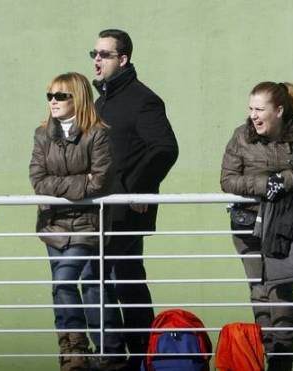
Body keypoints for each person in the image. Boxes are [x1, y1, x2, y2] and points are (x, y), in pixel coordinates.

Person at [220, 81, 293, 371]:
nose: (254, 116)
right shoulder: (241, 136)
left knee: (279, 287)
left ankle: (281, 356)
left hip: (285, 224)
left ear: (279, 110)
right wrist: (263, 185)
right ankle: (267, 350)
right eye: (251, 109)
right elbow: (228, 180)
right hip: (248, 223)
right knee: (259, 288)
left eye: (260, 109)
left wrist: (287, 181)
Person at [82, 28, 179, 370]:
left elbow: (165, 148)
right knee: (101, 279)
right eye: (93, 53)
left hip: (126, 210)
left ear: (123, 60)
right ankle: (115, 351)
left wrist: (138, 187)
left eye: (104, 54)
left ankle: (140, 355)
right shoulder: (101, 101)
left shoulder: (142, 99)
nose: (96, 60)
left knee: (125, 280)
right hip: (100, 210)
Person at [29, 72, 123, 371]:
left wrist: (65, 185)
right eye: (50, 96)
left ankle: (89, 349)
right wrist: (78, 183)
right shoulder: (43, 134)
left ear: (78, 98)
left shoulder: (97, 134)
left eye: (61, 96)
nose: (53, 102)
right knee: (61, 288)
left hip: (85, 225)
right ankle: (72, 352)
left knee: (66, 280)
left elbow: (100, 183)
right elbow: (37, 179)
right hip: (52, 223)